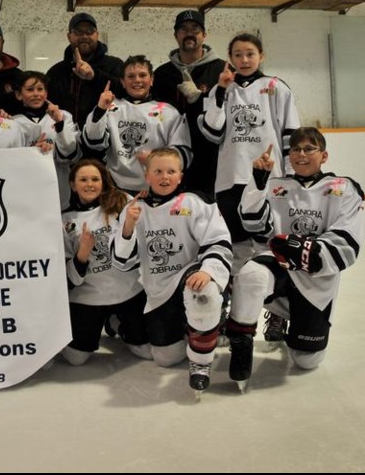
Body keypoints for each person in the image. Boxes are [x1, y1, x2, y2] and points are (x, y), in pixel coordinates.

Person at [225, 128, 364, 393]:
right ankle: (241, 346)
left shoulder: (343, 188)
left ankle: (291, 314)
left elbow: (346, 245)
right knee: (251, 275)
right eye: (296, 149)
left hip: (316, 282)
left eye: (309, 149)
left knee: (306, 360)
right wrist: (258, 181)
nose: (301, 154)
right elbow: (254, 225)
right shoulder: (278, 186)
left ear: (324, 155)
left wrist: (299, 247)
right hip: (277, 265)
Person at [196, 32, 300, 338]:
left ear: (261, 56)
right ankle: (234, 312)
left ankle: (278, 312)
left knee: (274, 248)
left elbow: (290, 133)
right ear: (230, 58)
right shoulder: (221, 90)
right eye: (238, 54)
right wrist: (219, 91)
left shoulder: (275, 87)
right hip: (230, 180)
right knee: (237, 249)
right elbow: (212, 133)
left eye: (250, 54)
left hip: (269, 180)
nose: (244, 60)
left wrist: (291, 177)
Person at [111, 148, 233, 393]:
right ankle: (199, 327)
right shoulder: (134, 208)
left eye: (170, 171)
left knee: (204, 291)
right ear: (147, 176)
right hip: (158, 293)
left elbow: (219, 241)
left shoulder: (196, 202)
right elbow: (122, 262)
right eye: (157, 171)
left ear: (180, 176)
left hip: (190, 276)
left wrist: (208, 271)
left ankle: (201, 363)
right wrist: (128, 227)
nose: (164, 177)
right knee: (166, 358)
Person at [61, 159, 150, 365]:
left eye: (95, 179)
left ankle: (116, 322)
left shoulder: (121, 201)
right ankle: (102, 320)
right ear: (73, 185)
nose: (89, 184)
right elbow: (67, 280)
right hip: (88, 298)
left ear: (103, 182)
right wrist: (82, 254)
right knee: (76, 358)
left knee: (145, 351)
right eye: (83, 179)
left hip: (129, 291)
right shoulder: (65, 220)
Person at [81, 55, 192, 195]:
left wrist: (156, 158)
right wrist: (100, 110)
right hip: (115, 189)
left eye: (142, 75)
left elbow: (184, 154)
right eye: (131, 76)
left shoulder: (169, 112)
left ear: (151, 80)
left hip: (157, 190)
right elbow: (93, 142)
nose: (137, 80)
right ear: (122, 81)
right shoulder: (111, 107)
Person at [151, 10, 227, 196]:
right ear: (176, 35)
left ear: (204, 35)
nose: (189, 33)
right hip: (171, 161)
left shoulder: (221, 70)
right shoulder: (162, 74)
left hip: (212, 158)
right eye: (183, 29)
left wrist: (199, 100)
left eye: (195, 29)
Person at [11, 70, 80, 209]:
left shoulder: (64, 116)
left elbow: (70, 156)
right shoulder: (13, 122)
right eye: (30, 90)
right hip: (26, 192)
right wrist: (32, 153)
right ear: (19, 95)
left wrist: (59, 124)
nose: (36, 94)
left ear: (46, 93)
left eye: (40, 89)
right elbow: (11, 164)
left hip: (59, 190)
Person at [45, 12, 124, 131]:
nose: (84, 36)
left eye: (89, 31)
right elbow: (45, 103)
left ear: (97, 35)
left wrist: (94, 76)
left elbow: (125, 92)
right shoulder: (55, 72)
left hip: (106, 139)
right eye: (78, 32)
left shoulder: (114, 65)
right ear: (69, 36)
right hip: (65, 140)